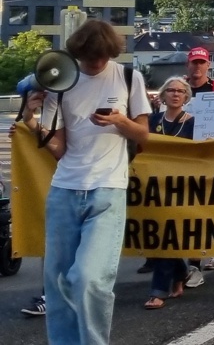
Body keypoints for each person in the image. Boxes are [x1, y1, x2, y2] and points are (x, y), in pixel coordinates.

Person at [17, 20, 150, 343]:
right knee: (59, 281)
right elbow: (59, 149)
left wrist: (119, 121)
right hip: (65, 190)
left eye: (102, 57)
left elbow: (144, 134)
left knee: (90, 278)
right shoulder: (61, 81)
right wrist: (31, 122)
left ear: (111, 52)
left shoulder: (128, 78)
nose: (96, 63)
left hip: (108, 189)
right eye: (90, 58)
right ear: (77, 53)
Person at [144, 77, 198, 310]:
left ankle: (158, 290)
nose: (175, 94)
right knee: (160, 235)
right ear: (163, 95)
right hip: (155, 184)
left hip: (183, 186)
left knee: (167, 234)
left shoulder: (194, 122)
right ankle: (181, 272)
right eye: (171, 90)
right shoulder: (152, 120)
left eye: (180, 91)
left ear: (186, 97)